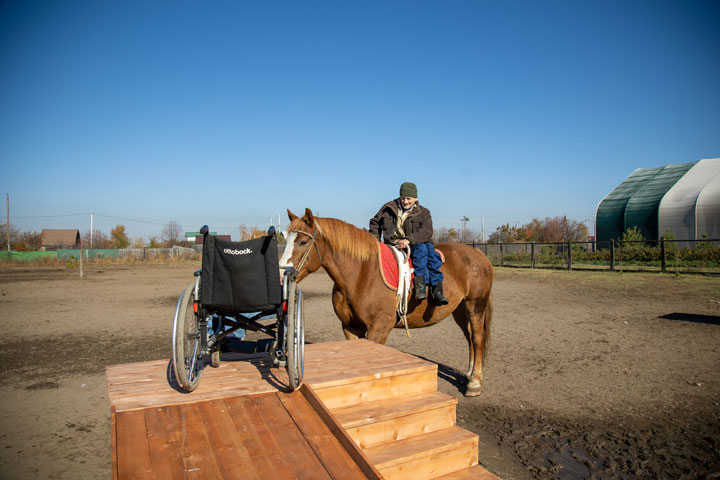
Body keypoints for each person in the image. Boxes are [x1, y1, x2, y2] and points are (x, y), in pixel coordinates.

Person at [369, 182, 448, 305]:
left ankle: (435, 290)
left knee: (431, 255)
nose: (405, 201)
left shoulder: (424, 212)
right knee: (423, 249)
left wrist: (408, 239)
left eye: (408, 199)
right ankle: (421, 286)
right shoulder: (388, 208)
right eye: (403, 198)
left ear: (415, 198)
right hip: (393, 244)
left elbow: (427, 231)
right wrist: (375, 242)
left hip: (414, 242)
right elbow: (375, 222)